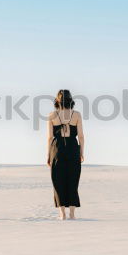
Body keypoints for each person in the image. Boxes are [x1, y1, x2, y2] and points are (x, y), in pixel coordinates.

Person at [47, 89, 84, 220]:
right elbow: (81, 136)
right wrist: (81, 153)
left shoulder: (52, 115)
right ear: (70, 99)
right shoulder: (77, 115)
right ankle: (72, 213)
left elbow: (50, 137)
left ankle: (62, 213)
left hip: (57, 149)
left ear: (57, 100)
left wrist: (48, 155)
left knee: (58, 181)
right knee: (73, 181)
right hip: (73, 148)